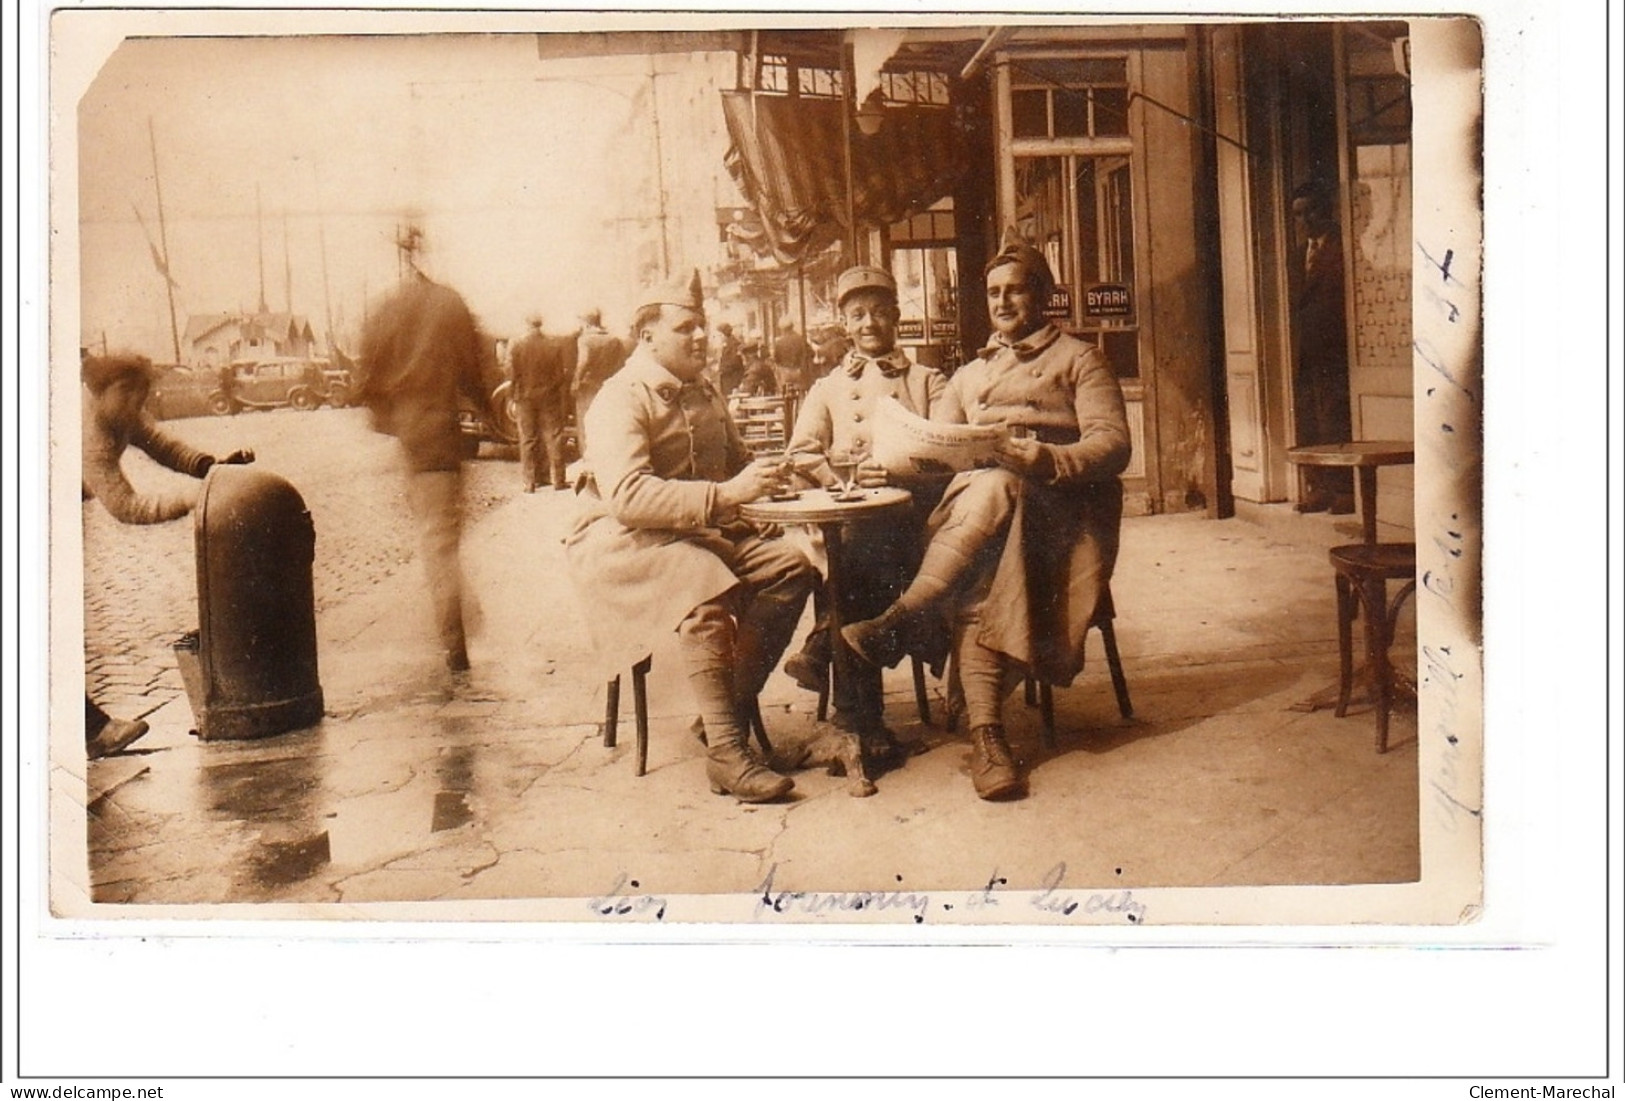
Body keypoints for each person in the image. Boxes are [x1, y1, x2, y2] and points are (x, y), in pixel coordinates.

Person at [842, 241, 1131, 801]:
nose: (1002, 301)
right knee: (988, 522)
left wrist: (1046, 458)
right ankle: (987, 738)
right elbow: (940, 449)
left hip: (1063, 512)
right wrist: (902, 460)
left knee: (992, 515)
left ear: (1042, 295)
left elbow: (1114, 444)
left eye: (1016, 289)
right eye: (994, 292)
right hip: (984, 510)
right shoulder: (971, 374)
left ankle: (908, 620)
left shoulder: (1079, 358)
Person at [565, 270, 816, 803]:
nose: (701, 337)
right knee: (703, 583)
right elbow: (629, 498)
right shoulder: (620, 399)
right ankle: (728, 753)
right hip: (620, 542)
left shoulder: (703, 390)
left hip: (695, 532)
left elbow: (737, 462)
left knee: (791, 567)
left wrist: (776, 477)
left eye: (701, 326)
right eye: (686, 328)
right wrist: (727, 497)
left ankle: (719, 718)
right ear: (647, 336)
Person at [782, 265, 945, 768]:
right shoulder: (829, 387)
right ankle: (860, 719)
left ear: (896, 317)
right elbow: (801, 452)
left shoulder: (926, 379)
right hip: (851, 517)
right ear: (844, 324)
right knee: (847, 552)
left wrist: (899, 470)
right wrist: (841, 480)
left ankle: (834, 672)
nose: (869, 323)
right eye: (857, 315)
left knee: (854, 560)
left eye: (878, 312)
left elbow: (949, 450)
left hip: (914, 523)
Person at [80, 351, 256, 758]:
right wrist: (198, 498)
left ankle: (89, 729)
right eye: (130, 396)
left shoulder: (118, 410)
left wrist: (211, 468)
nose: (137, 408)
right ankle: (92, 731)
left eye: (142, 398)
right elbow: (128, 507)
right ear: (102, 390)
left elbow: (161, 444)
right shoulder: (89, 433)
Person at [356, 272, 493, 673]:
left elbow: (367, 375)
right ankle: (456, 649)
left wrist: (389, 416)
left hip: (411, 435)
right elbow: (474, 369)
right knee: (441, 543)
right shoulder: (445, 304)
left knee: (436, 536)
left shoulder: (389, 308)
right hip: (440, 436)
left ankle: (463, 616)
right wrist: (488, 408)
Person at [1290, 180, 1355, 514]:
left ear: (1325, 211)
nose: (1305, 220)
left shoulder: (1344, 247)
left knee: (1336, 419)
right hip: (1308, 352)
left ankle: (1344, 489)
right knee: (1311, 420)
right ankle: (1321, 487)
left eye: (1310, 211)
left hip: (1337, 351)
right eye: (1299, 214)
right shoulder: (1300, 254)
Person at [510, 314, 574, 492]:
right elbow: (560, 376)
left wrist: (512, 396)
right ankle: (558, 481)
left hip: (524, 397)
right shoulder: (553, 345)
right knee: (554, 437)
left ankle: (529, 483)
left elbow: (512, 374)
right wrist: (552, 390)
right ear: (541, 324)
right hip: (549, 398)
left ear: (527, 323)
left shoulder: (517, 345)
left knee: (527, 439)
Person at [573, 306, 630, 455]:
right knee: (606, 423)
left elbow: (583, 362)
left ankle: (588, 459)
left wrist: (576, 381)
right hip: (609, 387)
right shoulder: (614, 340)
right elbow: (622, 365)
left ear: (586, 323)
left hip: (589, 388)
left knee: (586, 424)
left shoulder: (585, 340)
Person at [772, 316, 812, 396]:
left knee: (784, 393)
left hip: (785, 373)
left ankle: (786, 404)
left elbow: (776, 359)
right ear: (792, 326)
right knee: (801, 394)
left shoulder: (779, 342)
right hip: (799, 372)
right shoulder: (800, 339)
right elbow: (810, 353)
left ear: (782, 329)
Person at [714, 321, 745, 396]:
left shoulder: (734, 344)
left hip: (732, 379)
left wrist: (720, 368)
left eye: (719, 335)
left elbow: (734, 362)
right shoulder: (726, 344)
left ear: (724, 334)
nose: (718, 337)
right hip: (728, 379)